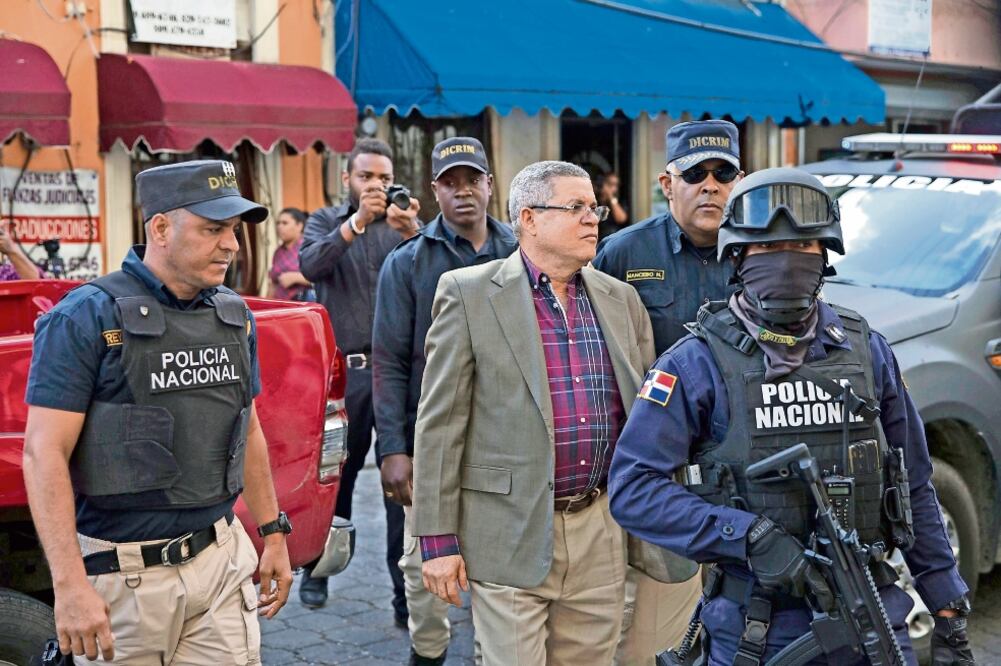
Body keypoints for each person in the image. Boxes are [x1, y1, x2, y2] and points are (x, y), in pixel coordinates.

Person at [609, 167, 976, 665]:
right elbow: (634, 489)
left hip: (871, 610)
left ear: (825, 259)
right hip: (757, 628)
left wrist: (948, 611)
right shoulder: (695, 363)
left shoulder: (867, 352)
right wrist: (746, 536)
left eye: (804, 250)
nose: (788, 264)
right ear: (736, 259)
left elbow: (914, 481)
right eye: (767, 251)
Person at [412, 160, 695, 665]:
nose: (593, 219)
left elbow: (648, 419)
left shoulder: (621, 299)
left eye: (594, 207)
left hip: (600, 526)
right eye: (576, 207)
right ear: (530, 218)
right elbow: (439, 426)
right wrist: (437, 541)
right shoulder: (469, 293)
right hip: (509, 526)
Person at [22, 160, 294, 664]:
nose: (232, 245)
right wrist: (69, 586)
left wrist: (272, 531)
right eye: (213, 229)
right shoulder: (84, 317)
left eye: (234, 230)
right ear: (161, 228)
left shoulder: (234, 316)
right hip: (122, 581)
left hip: (220, 564)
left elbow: (247, 426)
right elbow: (43, 455)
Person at [373, 137, 517, 665]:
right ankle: (427, 652)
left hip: (503, 438)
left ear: (489, 184)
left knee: (500, 566)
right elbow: (387, 359)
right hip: (428, 438)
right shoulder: (407, 262)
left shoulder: (518, 250)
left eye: (472, 180)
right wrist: (391, 448)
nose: (463, 193)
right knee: (421, 567)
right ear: (435, 190)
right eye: (450, 183)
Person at [298, 138, 421, 622]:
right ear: (346, 180)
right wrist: (356, 225)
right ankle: (318, 570)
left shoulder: (402, 225)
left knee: (400, 484)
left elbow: (442, 269)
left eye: (384, 179)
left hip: (398, 376)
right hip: (344, 375)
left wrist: (414, 230)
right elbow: (310, 265)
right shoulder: (327, 222)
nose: (376, 186)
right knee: (337, 478)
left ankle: (403, 595)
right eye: (366, 177)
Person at [593, 119, 743, 355]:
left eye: (724, 173)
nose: (710, 186)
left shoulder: (760, 253)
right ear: (667, 185)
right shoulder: (622, 252)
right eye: (695, 174)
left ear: (739, 182)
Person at [268, 207, 312, 300]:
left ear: (299, 226)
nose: (279, 227)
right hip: (280, 305)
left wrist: (296, 278)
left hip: (303, 307)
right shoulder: (278, 252)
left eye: (285, 223)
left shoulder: (309, 248)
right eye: (278, 223)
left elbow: (324, 278)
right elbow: (273, 283)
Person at [596, 171, 629, 239]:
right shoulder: (595, 199)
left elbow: (621, 219)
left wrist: (611, 197)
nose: (614, 188)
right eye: (610, 184)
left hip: (613, 240)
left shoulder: (618, 201)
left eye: (616, 185)